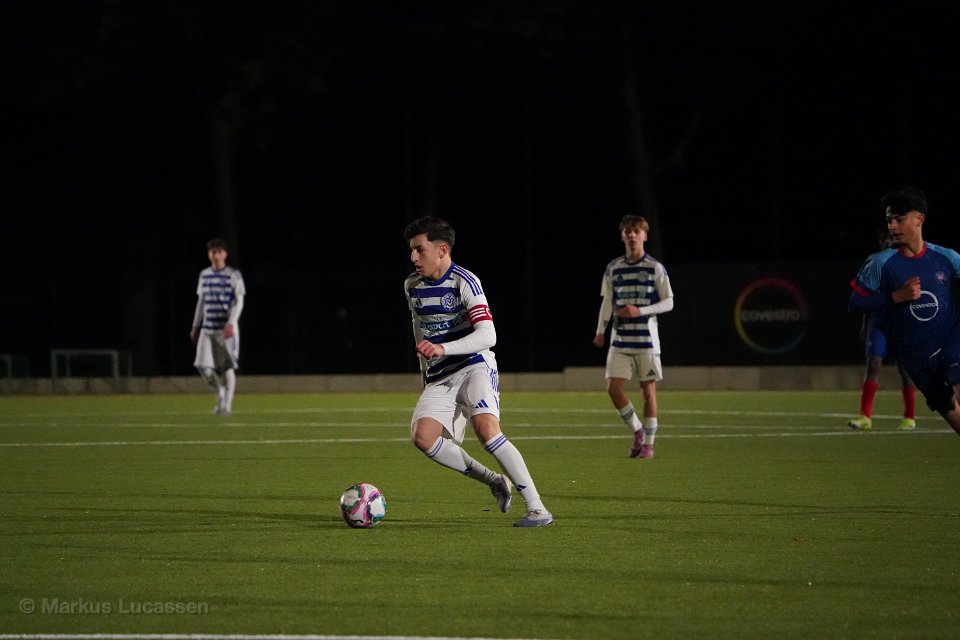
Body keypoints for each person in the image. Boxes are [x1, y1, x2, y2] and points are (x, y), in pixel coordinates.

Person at [403, 216, 553, 527]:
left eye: (420, 250)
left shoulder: (466, 281)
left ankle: (538, 509)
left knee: (486, 429)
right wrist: (425, 373)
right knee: (422, 437)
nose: (414, 257)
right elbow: (420, 329)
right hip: (439, 374)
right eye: (412, 250)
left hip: (474, 365)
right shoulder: (412, 285)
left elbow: (488, 335)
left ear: (442, 250)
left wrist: (442, 348)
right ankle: (494, 481)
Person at [848, 187, 960, 437]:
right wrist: (895, 297)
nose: (892, 226)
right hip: (916, 355)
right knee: (948, 409)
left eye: (899, 219)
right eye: (889, 220)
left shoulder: (945, 257)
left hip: (950, 343)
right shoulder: (879, 263)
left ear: (919, 219)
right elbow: (855, 304)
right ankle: (867, 415)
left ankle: (907, 417)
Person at [593, 214, 674, 458]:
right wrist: (600, 330)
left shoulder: (655, 268)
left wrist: (641, 311)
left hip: (646, 342)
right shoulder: (614, 267)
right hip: (620, 340)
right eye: (627, 231)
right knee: (613, 389)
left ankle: (648, 444)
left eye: (636, 231)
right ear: (622, 236)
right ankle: (638, 430)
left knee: (648, 393)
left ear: (644, 236)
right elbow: (608, 300)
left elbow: (669, 302)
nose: (632, 235)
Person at [848, 230, 917, 431]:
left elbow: (915, 294)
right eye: (885, 239)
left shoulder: (906, 263)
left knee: (905, 370)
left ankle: (909, 417)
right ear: (880, 242)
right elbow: (864, 296)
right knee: (873, 365)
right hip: (878, 323)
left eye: (891, 238)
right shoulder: (873, 264)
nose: (888, 242)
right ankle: (865, 416)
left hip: (900, 323)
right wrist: (864, 323)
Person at [190, 238, 245, 416]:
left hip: (225, 329)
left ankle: (227, 405)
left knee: (227, 367)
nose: (215, 255)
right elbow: (201, 301)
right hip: (207, 328)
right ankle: (220, 393)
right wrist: (195, 325)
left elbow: (239, 302)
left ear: (224, 254)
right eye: (212, 251)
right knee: (202, 366)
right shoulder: (204, 275)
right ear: (209, 254)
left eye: (218, 251)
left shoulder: (233, 275)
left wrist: (231, 322)